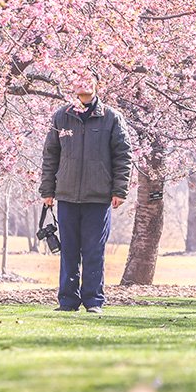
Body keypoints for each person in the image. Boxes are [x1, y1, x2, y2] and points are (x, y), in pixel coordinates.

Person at [39, 71, 132, 313]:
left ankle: (93, 301)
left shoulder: (112, 118)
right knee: (68, 251)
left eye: (86, 80)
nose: (82, 84)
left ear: (96, 85)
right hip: (67, 195)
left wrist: (119, 190)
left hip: (98, 197)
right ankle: (68, 301)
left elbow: (123, 156)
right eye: (77, 79)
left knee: (93, 251)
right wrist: (47, 190)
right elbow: (50, 155)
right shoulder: (62, 116)